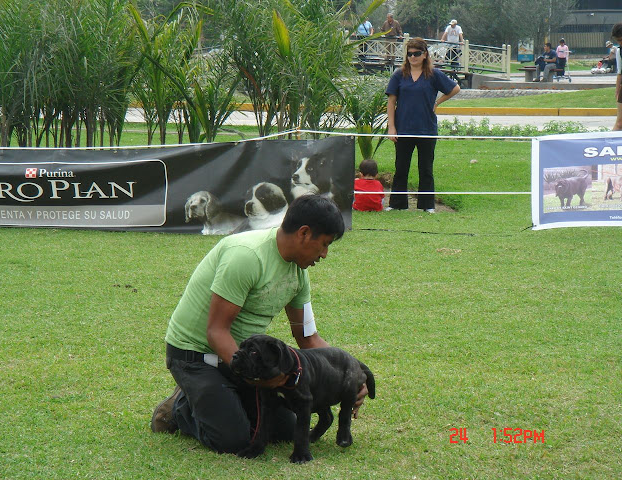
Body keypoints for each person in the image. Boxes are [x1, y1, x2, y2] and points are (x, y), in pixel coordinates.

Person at [150, 194, 369, 454]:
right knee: (233, 440)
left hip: (244, 361)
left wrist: (350, 374)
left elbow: (308, 339)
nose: (324, 254)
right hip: (196, 357)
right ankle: (181, 408)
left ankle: (222, 400)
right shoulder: (246, 256)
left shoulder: (299, 273)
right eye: (324, 244)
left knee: (286, 431)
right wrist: (255, 378)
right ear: (304, 233)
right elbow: (216, 332)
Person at [385, 37, 460, 213]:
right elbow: (391, 101)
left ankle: (427, 205)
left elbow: (455, 89)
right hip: (403, 128)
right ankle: (397, 204)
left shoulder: (434, 75)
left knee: (426, 168)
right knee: (401, 167)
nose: (412, 57)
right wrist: (391, 127)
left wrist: (437, 102)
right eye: (409, 54)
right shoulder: (399, 75)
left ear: (425, 54)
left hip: (426, 128)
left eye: (416, 53)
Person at [612, 24, 622, 131]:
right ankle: (608, 146)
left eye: (621, 39)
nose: (620, 43)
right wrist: (617, 90)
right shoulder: (620, 51)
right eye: (618, 40)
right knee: (619, 124)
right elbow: (620, 72)